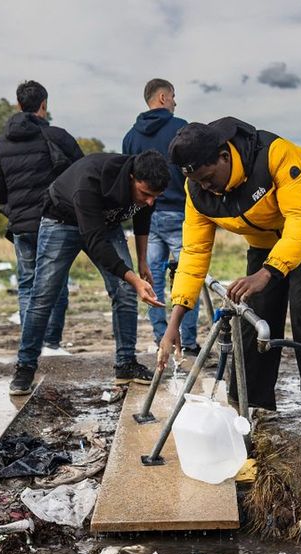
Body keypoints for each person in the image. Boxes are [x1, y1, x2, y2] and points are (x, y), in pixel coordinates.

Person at [161, 117, 301, 431]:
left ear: (224, 157)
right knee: (254, 311)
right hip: (267, 238)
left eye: (209, 178)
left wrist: (268, 272)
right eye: (198, 182)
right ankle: (246, 402)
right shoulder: (197, 191)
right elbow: (194, 252)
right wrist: (175, 322)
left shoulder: (273, 155)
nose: (207, 187)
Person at [9, 150, 169, 395]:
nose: (149, 201)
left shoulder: (147, 188)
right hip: (61, 221)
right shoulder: (91, 181)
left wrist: (142, 262)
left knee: (125, 291)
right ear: (131, 177)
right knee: (43, 295)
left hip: (105, 224)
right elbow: (95, 242)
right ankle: (25, 366)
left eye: (155, 197)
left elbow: (142, 220)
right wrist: (134, 279)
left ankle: (126, 363)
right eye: (145, 194)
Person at [0, 80, 83, 354]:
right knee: (57, 284)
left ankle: (30, 345)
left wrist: (12, 207)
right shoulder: (57, 137)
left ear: (18, 105)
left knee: (27, 284)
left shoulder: (1, 143)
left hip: (20, 224)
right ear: (44, 105)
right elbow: (83, 173)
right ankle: (51, 343)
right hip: (55, 222)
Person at [122, 78, 201, 358]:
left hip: (146, 215)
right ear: (163, 98)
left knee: (151, 276)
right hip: (179, 212)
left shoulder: (130, 137)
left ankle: (161, 339)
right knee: (187, 276)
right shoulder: (181, 128)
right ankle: (187, 341)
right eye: (173, 96)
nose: (176, 102)